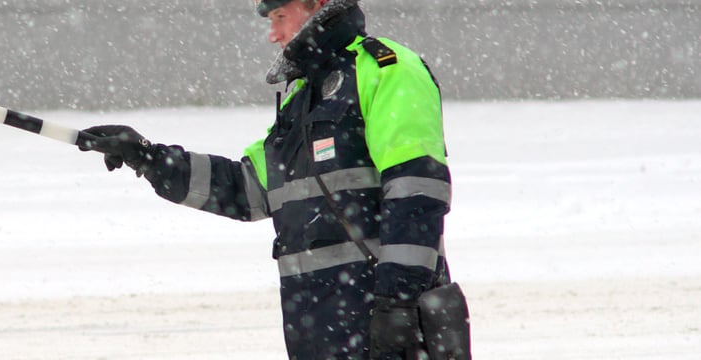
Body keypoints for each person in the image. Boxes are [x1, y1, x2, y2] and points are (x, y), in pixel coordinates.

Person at [80, 0, 471, 359]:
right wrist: (148, 157)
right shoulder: (302, 96)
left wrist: (398, 303)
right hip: (319, 330)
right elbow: (246, 190)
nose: (273, 33)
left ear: (319, 5)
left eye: (280, 16)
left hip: (383, 322)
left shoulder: (388, 70)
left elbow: (416, 191)